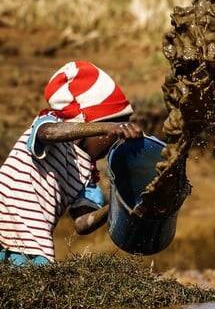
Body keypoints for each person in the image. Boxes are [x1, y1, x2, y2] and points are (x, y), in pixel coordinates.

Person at [0, 60, 144, 266]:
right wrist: (106, 128)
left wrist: (119, 204)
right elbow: (48, 133)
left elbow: (82, 224)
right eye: (115, 133)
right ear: (89, 123)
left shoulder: (88, 176)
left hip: (32, 244)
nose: (116, 140)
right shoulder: (51, 125)